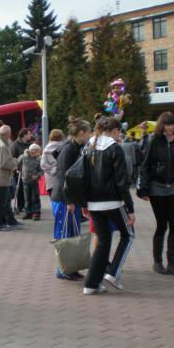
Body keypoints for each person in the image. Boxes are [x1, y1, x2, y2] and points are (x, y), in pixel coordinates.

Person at [82, 117, 135, 295]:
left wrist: (84, 203)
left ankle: (90, 284)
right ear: (113, 131)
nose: (120, 134)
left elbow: (82, 178)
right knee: (129, 235)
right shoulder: (115, 148)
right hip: (112, 201)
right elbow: (122, 182)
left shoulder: (88, 147)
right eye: (119, 131)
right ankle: (113, 273)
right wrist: (130, 208)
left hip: (93, 203)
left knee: (102, 242)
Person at [137, 112, 174, 277]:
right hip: (156, 187)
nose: (170, 128)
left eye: (172, 125)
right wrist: (143, 188)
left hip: (171, 188)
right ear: (161, 125)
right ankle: (157, 262)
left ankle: (172, 262)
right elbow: (145, 166)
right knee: (162, 225)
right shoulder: (154, 141)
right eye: (167, 124)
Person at [51, 117, 92, 280]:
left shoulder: (76, 147)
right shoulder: (68, 149)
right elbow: (63, 177)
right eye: (88, 132)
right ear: (81, 133)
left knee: (72, 234)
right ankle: (62, 270)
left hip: (70, 198)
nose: (90, 135)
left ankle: (71, 267)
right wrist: (69, 201)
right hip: (64, 199)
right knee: (64, 235)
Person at [18, 143, 44, 220]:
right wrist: (18, 168)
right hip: (25, 180)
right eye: (38, 152)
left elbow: (41, 170)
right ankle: (28, 213)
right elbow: (17, 163)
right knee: (27, 198)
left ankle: (36, 213)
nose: (39, 154)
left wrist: (37, 175)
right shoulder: (23, 157)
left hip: (34, 181)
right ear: (33, 151)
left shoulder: (39, 159)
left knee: (35, 198)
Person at [11, 128, 32, 212]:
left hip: (29, 170)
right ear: (24, 135)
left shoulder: (29, 144)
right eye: (29, 134)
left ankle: (27, 205)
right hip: (19, 171)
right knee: (19, 189)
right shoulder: (15, 144)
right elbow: (13, 157)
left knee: (28, 189)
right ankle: (20, 206)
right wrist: (15, 167)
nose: (30, 135)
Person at [40, 129, 65, 196]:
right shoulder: (65, 146)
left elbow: (43, 164)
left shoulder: (46, 148)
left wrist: (52, 170)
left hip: (51, 179)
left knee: (54, 202)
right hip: (63, 178)